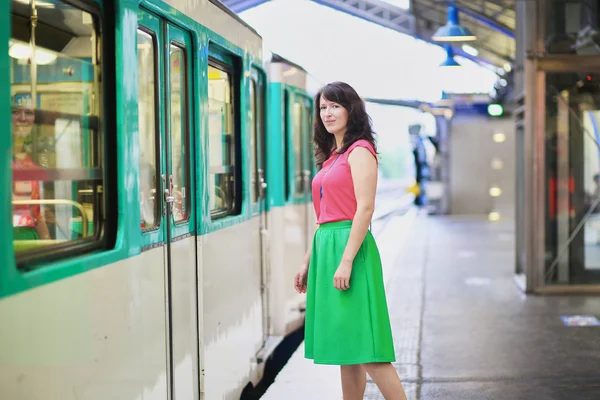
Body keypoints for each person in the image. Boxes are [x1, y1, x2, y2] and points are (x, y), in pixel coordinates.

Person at [294, 82, 407, 400]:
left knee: (368, 348)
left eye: (335, 106)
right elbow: (324, 218)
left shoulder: (360, 151)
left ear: (350, 110)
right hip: (327, 247)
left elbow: (365, 208)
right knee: (348, 348)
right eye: (322, 107)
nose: (327, 113)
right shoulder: (332, 156)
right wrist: (307, 261)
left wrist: (345, 260)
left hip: (350, 251)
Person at [12, 94, 50, 241]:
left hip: (29, 237)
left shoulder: (28, 162)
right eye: (16, 112)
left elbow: (36, 213)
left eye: (28, 113)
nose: (22, 118)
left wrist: (48, 244)